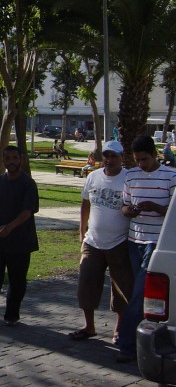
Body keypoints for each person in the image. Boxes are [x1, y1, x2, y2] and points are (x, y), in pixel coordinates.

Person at [116, 135, 176, 363]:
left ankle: (128, 344)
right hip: (134, 240)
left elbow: (173, 212)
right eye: (137, 160)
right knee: (140, 295)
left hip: (156, 242)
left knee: (140, 293)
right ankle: (151, 338)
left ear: (154, 154)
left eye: (144, 159)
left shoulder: (171, 176)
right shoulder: (131, 175)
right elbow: (123, 205)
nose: (141, 164)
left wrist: (156, 207)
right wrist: (128, 211)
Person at [69, 140, 133, 342]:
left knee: (121, 287)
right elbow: (85, 204)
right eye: (106, 155)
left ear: (122, 157)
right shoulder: (93, 176)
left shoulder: (128, 178)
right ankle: (89, 326)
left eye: (114, 156)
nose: (109, 160)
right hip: (93, 241)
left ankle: (119, 329)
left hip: (119, 242)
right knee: (86, 283)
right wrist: (82, 232)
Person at [0, 145, 39, 329]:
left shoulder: (28, 184)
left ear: (21, 160)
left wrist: (10, 227)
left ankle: (12, 315)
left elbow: (27, 211)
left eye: (15, 158)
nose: (11, 162)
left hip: (20, 241)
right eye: (8, 158)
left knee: (17, 280)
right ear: (3, 161)